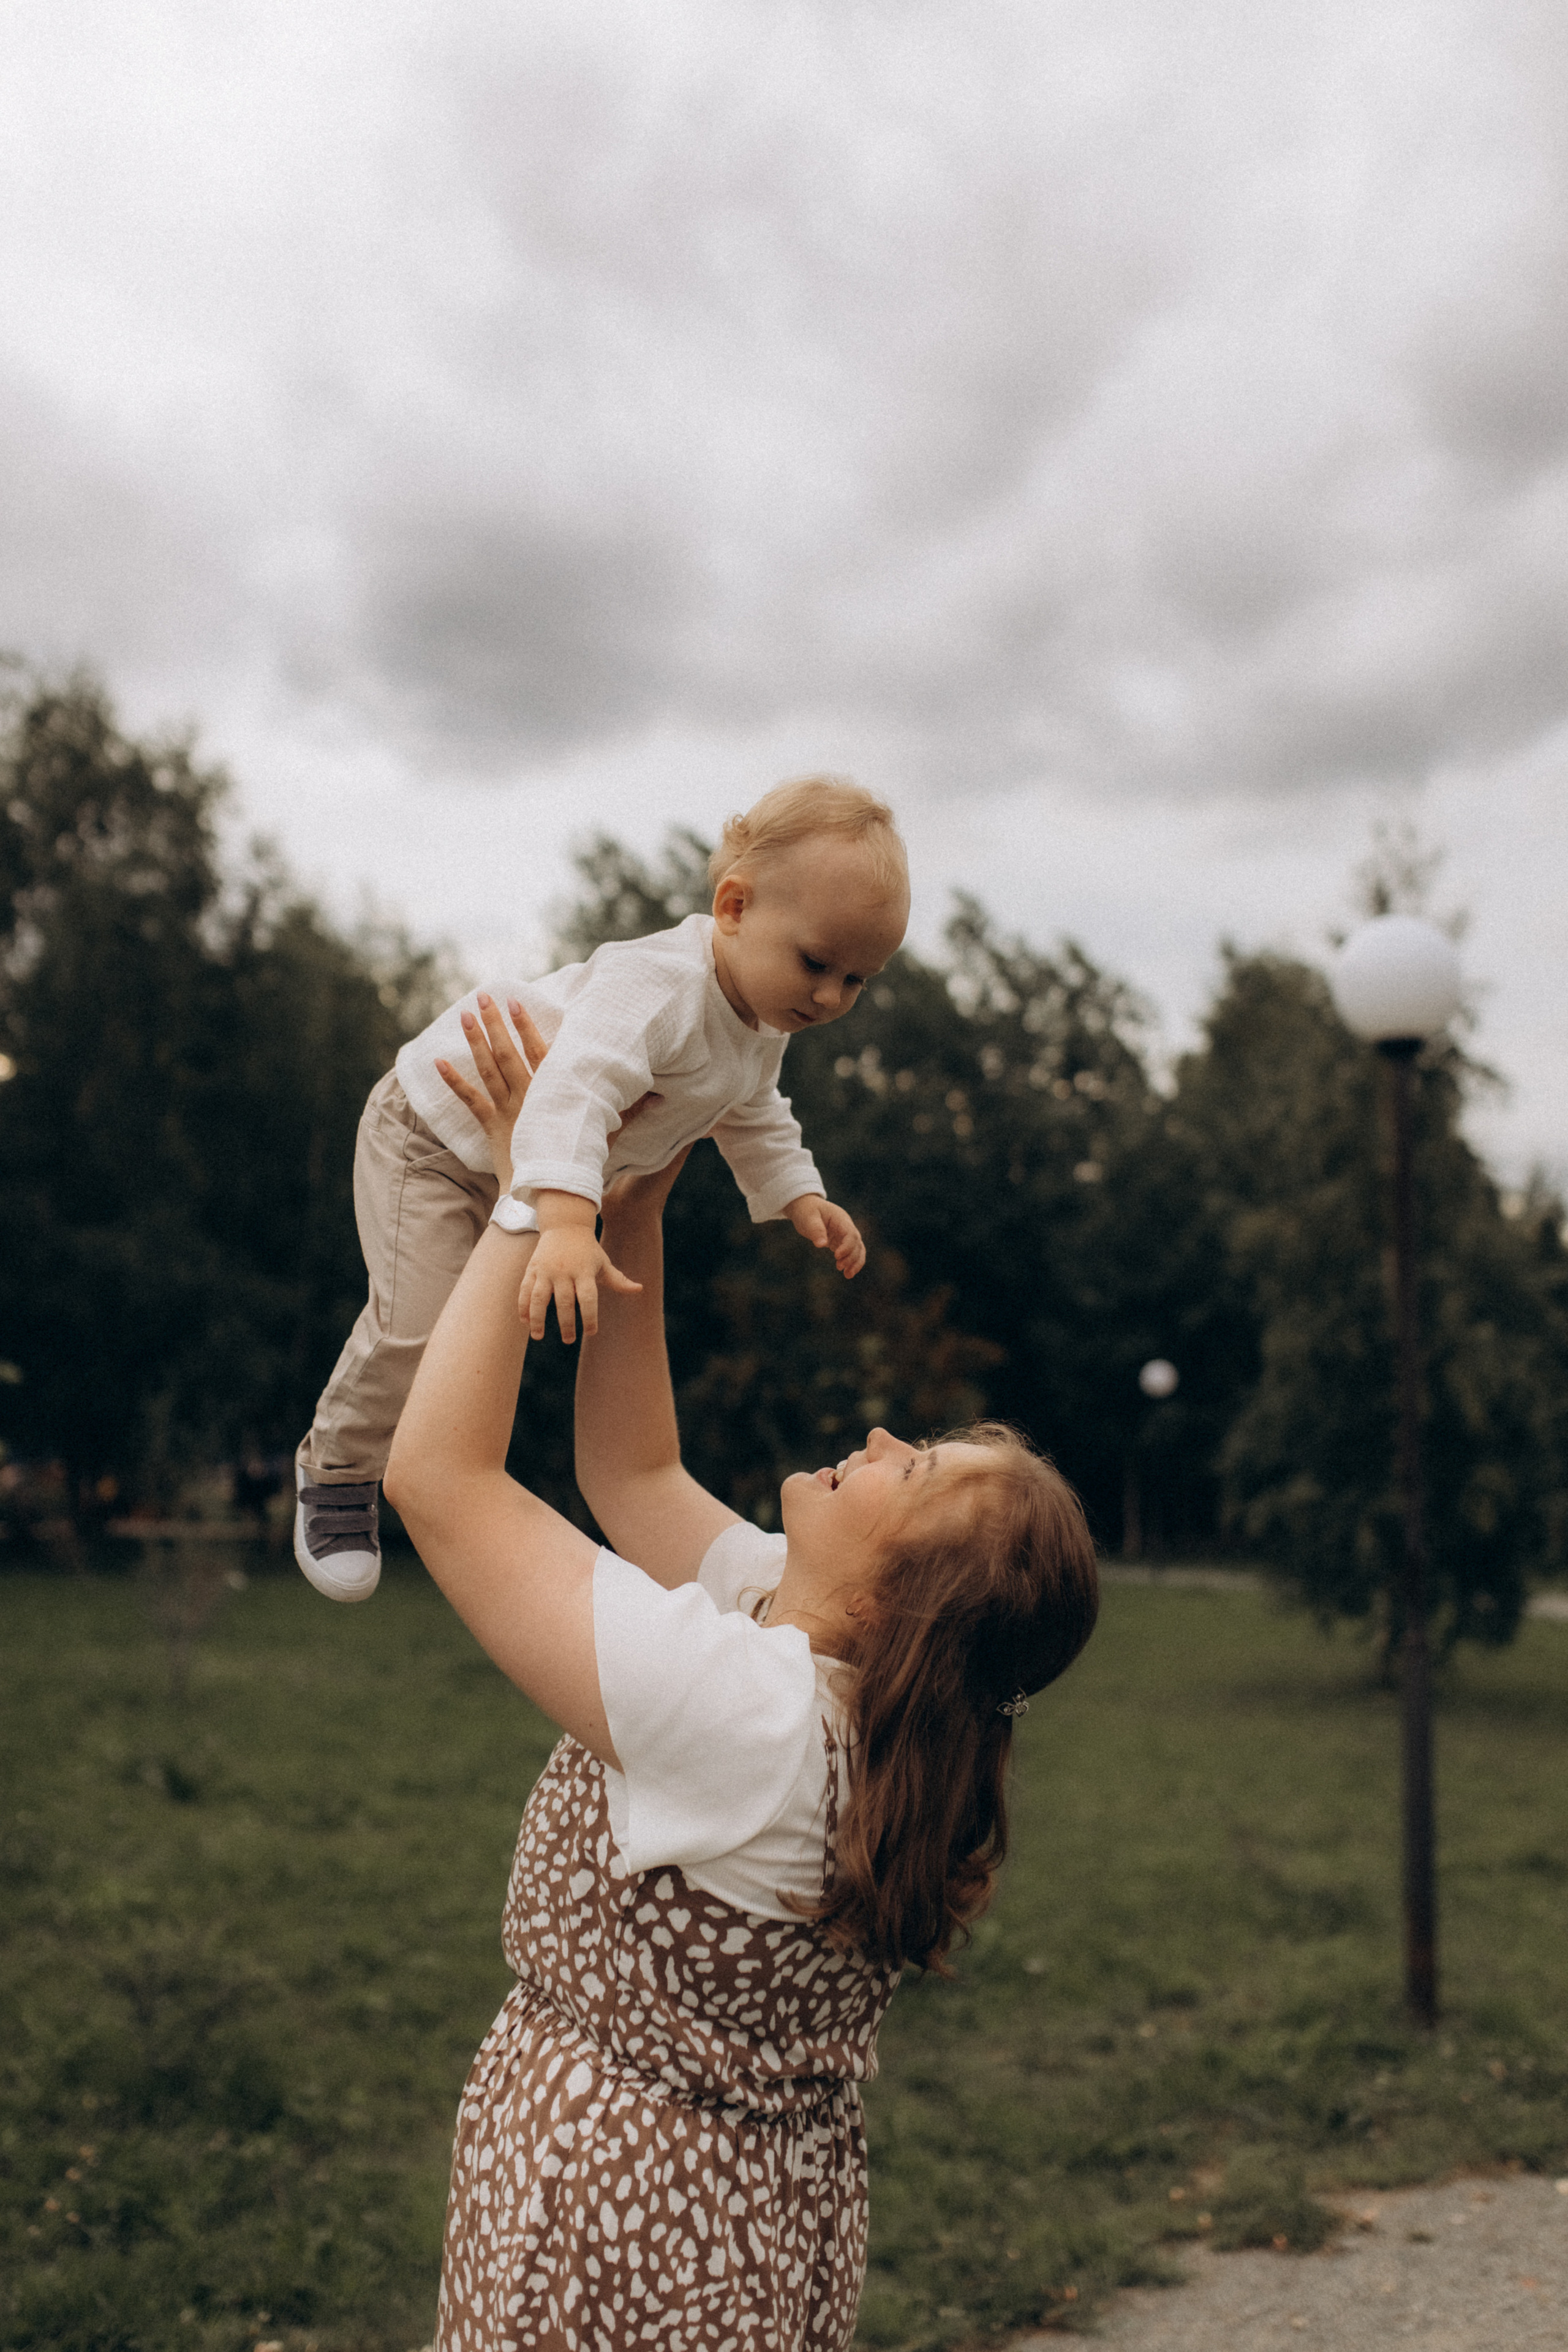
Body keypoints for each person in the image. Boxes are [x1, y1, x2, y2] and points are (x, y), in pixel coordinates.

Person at [383, 997, 1100, 2352]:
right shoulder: (824, 1679)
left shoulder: (749, 1719)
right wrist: (632, 1203)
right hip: (748, 2223)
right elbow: (632, 1475)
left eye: (919, 1471)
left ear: (908, 1596)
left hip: (612, 2221)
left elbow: (439, 1481)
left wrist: (531, 1197)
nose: (882, 1435)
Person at [296, 776, 910, 1605]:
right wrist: (565, 1224)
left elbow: (753, 1109)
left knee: (467, 1342)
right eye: (817, 963)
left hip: (520, 1167)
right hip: (434, 1135)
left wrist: (800, 1193)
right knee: (420, 1326)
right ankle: (335, 1470)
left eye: (858, 981)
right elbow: (572, 1092)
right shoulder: (659, 987)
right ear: (733, 907)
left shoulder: (759, 1022)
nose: (831, 997)